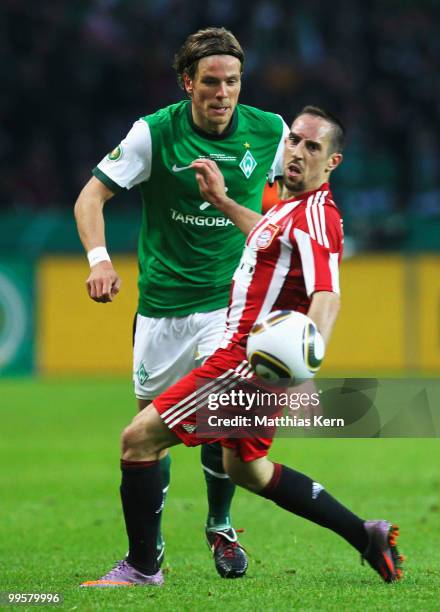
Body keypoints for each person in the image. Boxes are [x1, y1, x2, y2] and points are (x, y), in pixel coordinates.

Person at [80, 106, 404, 587]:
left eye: (312, 147)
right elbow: (268, 234)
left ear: (332, 162)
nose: (296, 152)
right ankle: (365, 534)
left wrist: (302, 372)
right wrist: (224, 199)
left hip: (246, 365)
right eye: (294, 140)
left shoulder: (316, 218)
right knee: (247, 468)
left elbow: (327, 297)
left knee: (139, 440)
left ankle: (143, 568)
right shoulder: (292, 210)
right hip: (253, 363)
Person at [74, 27, 288, 578]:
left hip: (230, 305)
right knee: (152, 432)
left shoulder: (270, 131)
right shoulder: (153, 135)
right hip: (162, 311)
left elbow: (285, 205)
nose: (223, 94)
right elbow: (91, 196)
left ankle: (220, 528)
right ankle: (151, 559)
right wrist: (99, 258)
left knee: (223, 414)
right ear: (188, 83)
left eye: (233, 82)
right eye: (211, 83)